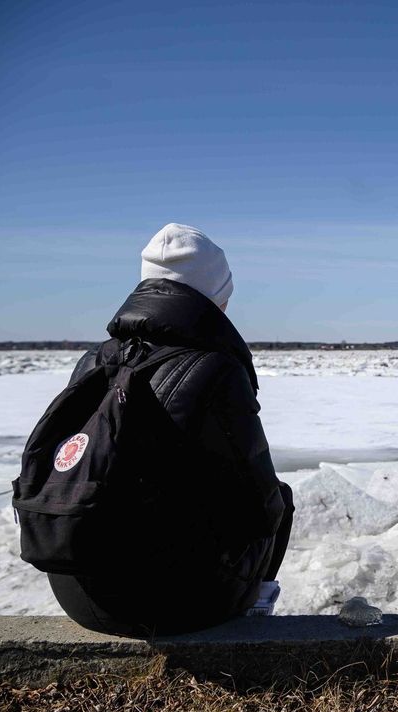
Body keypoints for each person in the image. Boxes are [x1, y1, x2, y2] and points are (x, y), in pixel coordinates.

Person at [47, 223, 294, 636]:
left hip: (78, 593)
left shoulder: (96, 359)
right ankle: (245, 620)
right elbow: (260, 503)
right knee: (280, 501)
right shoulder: (214, 369)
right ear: (215, 296)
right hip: (169, 603)